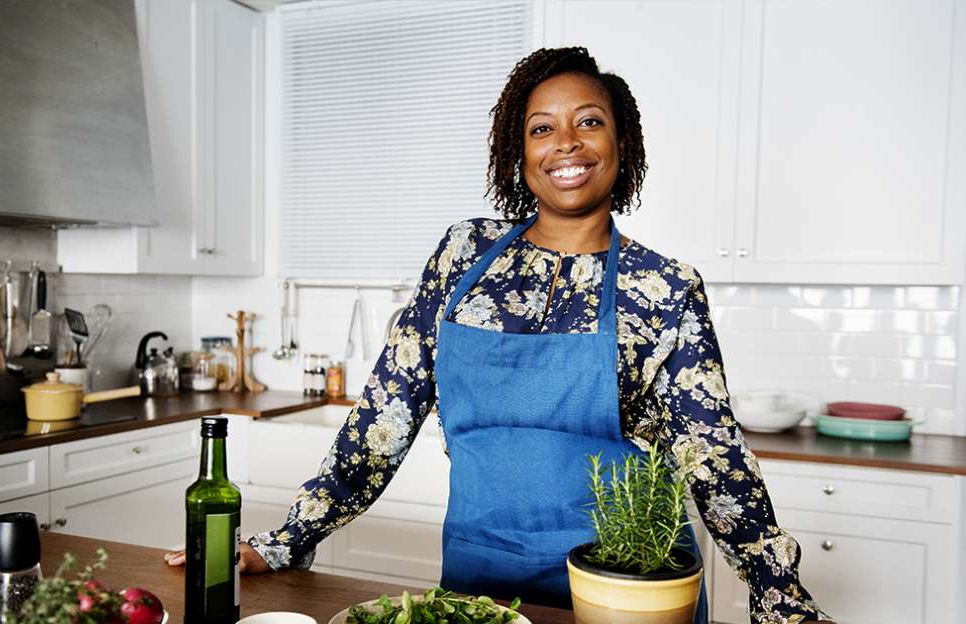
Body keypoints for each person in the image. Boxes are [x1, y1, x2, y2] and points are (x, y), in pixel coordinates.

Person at [167, 47, 833, 623]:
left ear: (621, 143)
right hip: (481, 583)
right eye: (542, 128)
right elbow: (383, 418)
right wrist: (286, 539)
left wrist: (781, 597)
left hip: (629, 592)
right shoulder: (463, 258)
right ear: (519, 153)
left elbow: (714, 457)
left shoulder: (662, 286)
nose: (565, 143)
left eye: (589, 123)